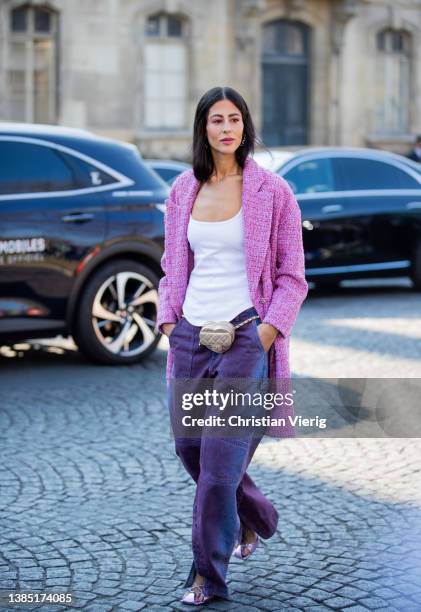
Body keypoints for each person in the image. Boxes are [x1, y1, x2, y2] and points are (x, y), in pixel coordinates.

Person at [156, 86, 308, 606]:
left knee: (220, 468)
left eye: (235, 119)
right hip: (190, 339)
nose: (226, 128)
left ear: (246, 127)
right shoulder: (182, 191)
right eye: (216, 119)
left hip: (245, 336)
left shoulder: (273, 192)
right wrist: (167, 321)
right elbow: (171, 268)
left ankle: (206, 576)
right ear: (203, 128)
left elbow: (292, 277)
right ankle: (255, 517)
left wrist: (264, 333)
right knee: (190, 450)